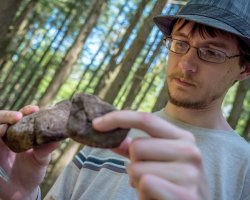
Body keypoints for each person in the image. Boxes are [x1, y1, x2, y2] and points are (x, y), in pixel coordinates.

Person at [1, 0, 250, 199]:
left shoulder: (244, 168)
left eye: (211, 52)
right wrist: (22, 193)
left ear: (245, 68)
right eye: (180, 43)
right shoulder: (108, 132)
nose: (186, 63)